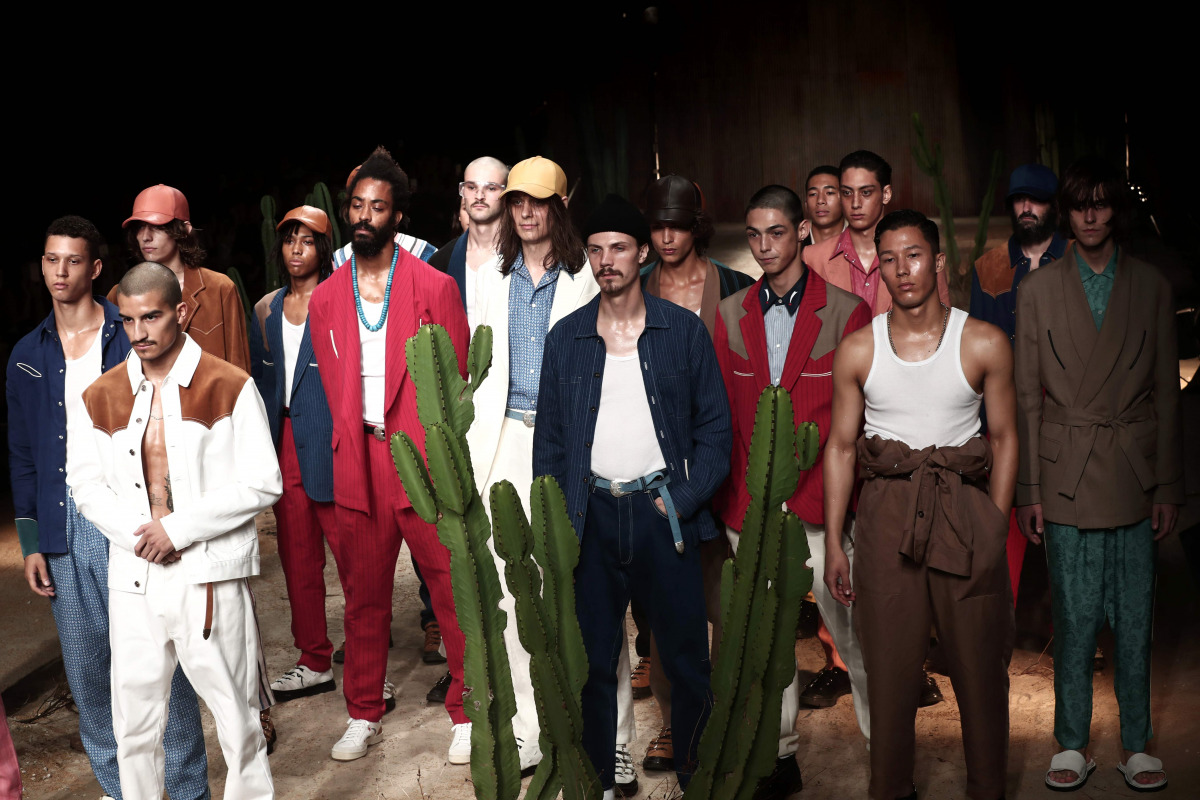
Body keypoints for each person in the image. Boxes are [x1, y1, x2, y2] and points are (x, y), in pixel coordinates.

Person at [534, 193, 730, 799]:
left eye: (618, 248)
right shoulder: (566, 338)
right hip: (591, 514)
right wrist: (558, 525)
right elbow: (551, 445)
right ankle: (597, 781)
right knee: (593, 661)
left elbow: (716, 432)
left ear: (641, 253)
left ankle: (697, 779)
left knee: (686, 659)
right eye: (596, 250)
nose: (606, 261)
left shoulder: (682, 332)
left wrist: (682, 500)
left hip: (661, 513)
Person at [6, 217, 210, 800]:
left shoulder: (129, 336)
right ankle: (123, 791)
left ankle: (187, 790)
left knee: (158, 665)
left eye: (73, 260)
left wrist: (169, 513)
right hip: (63, 526)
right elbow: (22, 454)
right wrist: (31, 541)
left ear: (95, 269)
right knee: (89, 674)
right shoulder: (27, 355)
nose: (60, 271)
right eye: (51, 259)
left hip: (128, 518)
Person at [69, 262, 282, 800]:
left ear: (181, 312)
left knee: (238, 720)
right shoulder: (100, 395)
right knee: (134, 725)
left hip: (207, 574)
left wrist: (179, 530)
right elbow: (85, 485)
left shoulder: (229, 385)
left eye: (152, 317)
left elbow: (264, 481)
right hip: (135, 576)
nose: (139, 332)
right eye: (128, 319)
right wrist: (142, 536)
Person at [824, 210, 1016, 800]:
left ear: (937, 262)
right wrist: (834, 542)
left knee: (979, 666)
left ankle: (986, 788)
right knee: (889, 669)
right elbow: (840, 447)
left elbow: (1005, 437)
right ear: (878, 267)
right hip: (886, 513)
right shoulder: (858, 349)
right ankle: (891, 788)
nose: (902, 270)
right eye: (889, 259)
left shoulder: (982, 341)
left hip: (963, 509)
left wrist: (994, 524)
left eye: (913, 256)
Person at [1015, 157, 1182, 792]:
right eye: (1079, 203)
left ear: (1116, 209)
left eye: (1101, 203)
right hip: (1066, 473)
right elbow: (1027, 399)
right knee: (1074, 616)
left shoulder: (1152, 286)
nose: (1089, 215)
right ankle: (1071, 743)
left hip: (1133, 471)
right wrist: (1029, 489)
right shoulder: (1037, 292)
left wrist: (1169, 484)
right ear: (1065, 211)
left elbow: (1166, 392)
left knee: (1136, 619)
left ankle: (1137, 743)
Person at [308, 146, 472, 763]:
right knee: (363, 596)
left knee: (449, 586)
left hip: (422, 457)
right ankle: (362, 712)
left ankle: (467, 710)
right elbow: (334, 387)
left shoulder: (435, 286)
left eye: (377, 207)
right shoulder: (326, 298)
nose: (364, 216)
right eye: (357, 205)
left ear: (398, 217)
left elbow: (455, 379)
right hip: (360, 456)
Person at [713, 185, 872, 798]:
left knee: (855, 634)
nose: (764, 246)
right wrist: (737, 506)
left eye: (776, 232)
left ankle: (884, 747)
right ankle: (777, 754)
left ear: (802, 231)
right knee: (766, 642)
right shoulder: (731, 313)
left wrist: (840, 516)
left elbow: (854, 422)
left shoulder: (845, 311)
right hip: (751, 508)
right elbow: (726, 416)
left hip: (822, 505)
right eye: (754, 235)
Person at [466, 155, 598, 772]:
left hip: (568, 444)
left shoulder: (587, 277)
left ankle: (606, 736)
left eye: (537, 202)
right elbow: (478, 370)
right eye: (516, 200)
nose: (524, 212)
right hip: (505, 440)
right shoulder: (492, 277)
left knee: (583, 589)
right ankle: (527, 729)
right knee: (514, 586)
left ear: (559, 208)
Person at [630, 173, 754, 783]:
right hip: (653, 467)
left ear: (696, 227)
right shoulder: (635, 288)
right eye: (657, 226)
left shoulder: (735, 288)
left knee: (727, 603)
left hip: (722, 462)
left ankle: (727, 720)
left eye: (677, 225)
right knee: (663, 608)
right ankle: (675, 725)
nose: (667, 236)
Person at [249, 206, 339, 703]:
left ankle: (369, 663)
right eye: (289, 240)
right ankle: (314, 660)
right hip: (284, 442)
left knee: (353, 559)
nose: (297, 249)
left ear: (323, 247)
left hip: (334, 440)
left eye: (307, 240)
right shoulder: (266, 309)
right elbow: (262, 381)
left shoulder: (342, 299)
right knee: (299, 559)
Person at [970, 163, 1069, 606]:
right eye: (1019, 200)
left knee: (1065, 519)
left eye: (1037, 199)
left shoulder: (1076, 260)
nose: (1027, 208)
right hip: (1002, 412)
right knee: (1002, 518)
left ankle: (1068, 620)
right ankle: (1000, 620)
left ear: (1054, 206)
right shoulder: (988, 266)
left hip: (1061, 411)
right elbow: (976, 347)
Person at [115, 184, 251, 372]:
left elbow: (238, 370)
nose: (146, 237)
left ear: (184, 229)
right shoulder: (120, 294)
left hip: (207, 390)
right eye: (140, 227)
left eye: (157, 226)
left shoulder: (218, 288)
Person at [804, 151, 951, 316]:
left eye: (866, 192)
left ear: (886, 194)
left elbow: (941, 321)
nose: (855, 203)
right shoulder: (813, 258)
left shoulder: (922, 256)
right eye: (847, 193)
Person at [428, 156, 510, 328]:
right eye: (471, 187)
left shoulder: (524, 256)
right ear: (462, 191)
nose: (479, 196)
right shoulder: (440, 261)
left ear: (506, 194)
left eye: (491, 188)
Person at [804, 165, 846, 245]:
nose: (820, 200)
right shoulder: (796, 246)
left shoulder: (861, 243)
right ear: (806, 204)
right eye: (813, 194)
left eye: (829, 193)